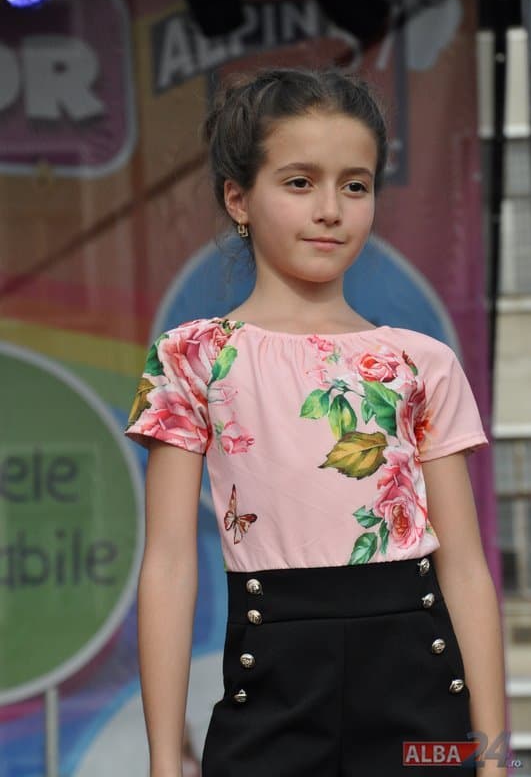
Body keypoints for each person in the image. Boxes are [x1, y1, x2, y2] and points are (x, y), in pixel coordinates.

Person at [124, 67, 508, 777]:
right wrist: (163, 764)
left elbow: (462, 566)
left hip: (420, 699)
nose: (330, 209)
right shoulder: (191, 357)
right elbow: (171, 563)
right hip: (271, 693)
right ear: (238, 198)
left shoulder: (418, 362)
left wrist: (494, 759)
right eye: (299, 182)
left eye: (355, 185)